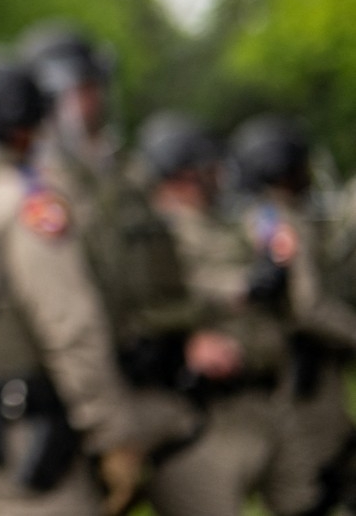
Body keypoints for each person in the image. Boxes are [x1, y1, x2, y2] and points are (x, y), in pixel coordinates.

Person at [0, 49, 195, 516]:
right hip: (29, 438)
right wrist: (114, 437)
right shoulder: (26, 201)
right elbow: (71, 326)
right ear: (24, 120)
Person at [18, 24, 223, 511]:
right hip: (67, 396)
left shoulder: (122, 174)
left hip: (142, 372)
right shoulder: (32, 186)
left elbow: (162, 272)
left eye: (94, 89)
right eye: (78, 90)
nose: (91, 103)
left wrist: (188, 328)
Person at [133, 111, 298, 515]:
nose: (216, 175)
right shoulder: (161, 231)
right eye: (204, 168)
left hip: (258, 397)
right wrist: (239, 287)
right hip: (205, 412)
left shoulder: (216, 221)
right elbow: (168, 292)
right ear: (181, 173)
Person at [228, 114, 356, 514]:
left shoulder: (284, 214)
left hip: (317, 375)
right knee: (311, 490)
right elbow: (309, 306)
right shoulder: (275, 221)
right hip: (300, 382)